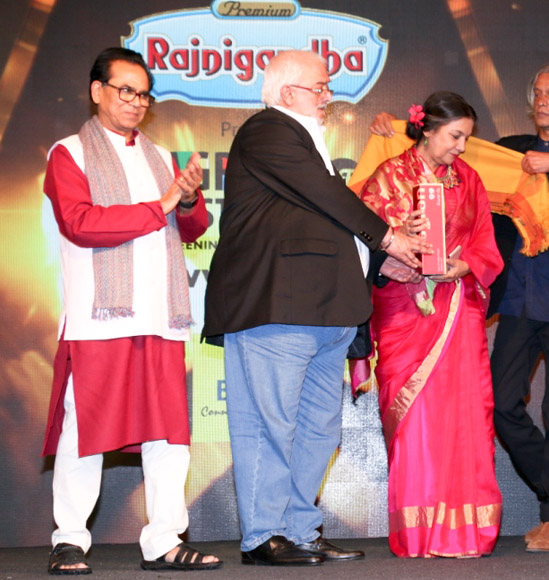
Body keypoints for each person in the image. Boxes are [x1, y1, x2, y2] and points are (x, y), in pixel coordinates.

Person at [370, 62, 549, 553]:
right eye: (538, 93)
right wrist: (392, 127)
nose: (543, 101)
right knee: (502, 406)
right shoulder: (507, 150)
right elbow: (443, 142)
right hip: (518, 303)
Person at [202, 50, 423, 567]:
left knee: (321, 429)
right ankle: (262, 536)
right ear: (286, 94)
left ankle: (302, 528)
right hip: (278, 306)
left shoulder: (305, 141)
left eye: (327, 87)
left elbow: (328, 217)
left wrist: (378, 260)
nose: (329, 97)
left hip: (328, 311)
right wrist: (387, 237)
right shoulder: (268, 129)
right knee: (268, 423)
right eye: (319, 88)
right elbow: (325, 196)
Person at [41, 47, 220, 574]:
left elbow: (192, 228)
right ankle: (69, 540)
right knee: (83, 430)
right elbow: (81, 223)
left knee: (169, 434)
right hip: (100, 318)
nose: (136, 102)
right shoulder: (68, 152)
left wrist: (186, 202)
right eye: (126, 90)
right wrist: (163, 205)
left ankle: (165, 539)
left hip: (161, 316)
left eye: (144, 94)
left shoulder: (162, 157)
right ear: (97, 91)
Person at [358, 92, 504, 558]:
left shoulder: (469, 180)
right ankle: (420, 533)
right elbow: (362, 246)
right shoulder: (388, 178)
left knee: (462, 419)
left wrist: (463, 269)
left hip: (458, 313)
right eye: (456, 136)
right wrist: (400, 242)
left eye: (466, 137)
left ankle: (465, 533)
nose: (462, 147)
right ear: (427, 129)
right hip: (405, 314)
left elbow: (485, 243)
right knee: (417, 422)